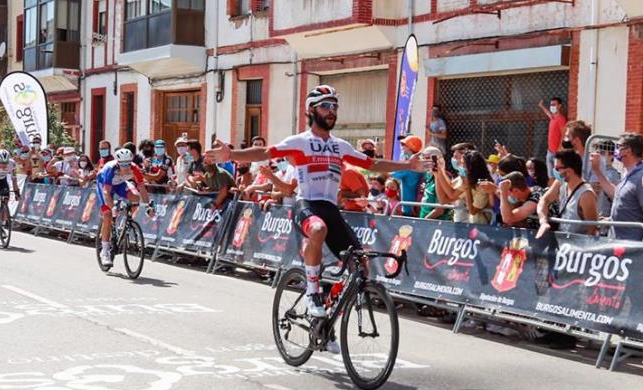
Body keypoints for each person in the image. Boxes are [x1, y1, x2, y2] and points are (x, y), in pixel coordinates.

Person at [205, 84, 423, 340]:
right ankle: (312, 291)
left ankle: (327, 321)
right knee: (318, 229)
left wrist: (408, 164)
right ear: (311, 110)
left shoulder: (340, 146)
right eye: (326, 106)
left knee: (361, 266)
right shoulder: (301, 142)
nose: (332, 111)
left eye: (335, 107)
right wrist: (231, 154)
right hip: (307, 204)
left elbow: (372, 162)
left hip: (331, 207)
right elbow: (265, 152)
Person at [591, 133, 643, 241]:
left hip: (632, 244)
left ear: (628, 150)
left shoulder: (642, 176)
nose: (616, 150)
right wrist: (597, 171)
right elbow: (616, 194)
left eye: (618, 147)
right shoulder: (627, 173)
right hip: (617, 241)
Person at [95, 148, 154, 267]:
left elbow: (142, 188)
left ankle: (123, 223)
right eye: (123, 164)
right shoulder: (110, 169)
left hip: (120, 183)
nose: (126, 166)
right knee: (107, 214)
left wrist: (148, 206)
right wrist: (112, 207)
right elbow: (107, 192)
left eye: (128, 163)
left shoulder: (134, 168)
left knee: (135, 197)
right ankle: (105, 251)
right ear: (117, 163)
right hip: (104, 185)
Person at [535, 149, 597, 238]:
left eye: (557, 168)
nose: (554, 171)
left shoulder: (586, 195)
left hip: (577, 247)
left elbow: (592, 231)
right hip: (562, 243)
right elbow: (544, 200)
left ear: (568, 171)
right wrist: (543, 222)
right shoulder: (560, 182)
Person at [391, 135, 424, 216]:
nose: (402, 147)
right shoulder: (420, 162)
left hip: (408, 208)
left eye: (404, 145)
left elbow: (392, 175)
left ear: (410, 147)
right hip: (417, 206)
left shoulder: (408, 165)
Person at [462, 151, 497, 224]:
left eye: (464, 164)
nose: (462, 167)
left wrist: (467, 188)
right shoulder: (470, 180)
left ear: (471, 167)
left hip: (481, 225)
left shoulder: (483, 186)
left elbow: (473, 211)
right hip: (471, 222)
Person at [539, 97, 567, 175]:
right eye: (551, 105)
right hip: (550, 151)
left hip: (557, 152)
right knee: (550, 175)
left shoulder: (561, 119)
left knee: (557, 176)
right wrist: (541, 106)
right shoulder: (553, 117)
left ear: (559, 106)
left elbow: (563, 134)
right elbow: (548, 113)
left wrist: (559, 148)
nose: (552, 106)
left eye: (554, 104)